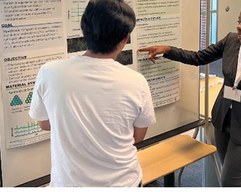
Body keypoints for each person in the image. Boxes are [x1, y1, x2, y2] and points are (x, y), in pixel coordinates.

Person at [139, 2, 241, 187]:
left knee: (229, 180)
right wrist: (169, 50)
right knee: (232, 176)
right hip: (222, 118)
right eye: (238, 21)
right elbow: (198, 57)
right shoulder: (231, 41)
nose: (239, 26)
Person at [29, 0, 156, 187]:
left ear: (84, 30)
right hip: (123, 182)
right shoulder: (136, 81)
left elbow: (45, 123)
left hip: (69, 183)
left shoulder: (49, 72)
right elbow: (138, 136)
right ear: (125, 38)